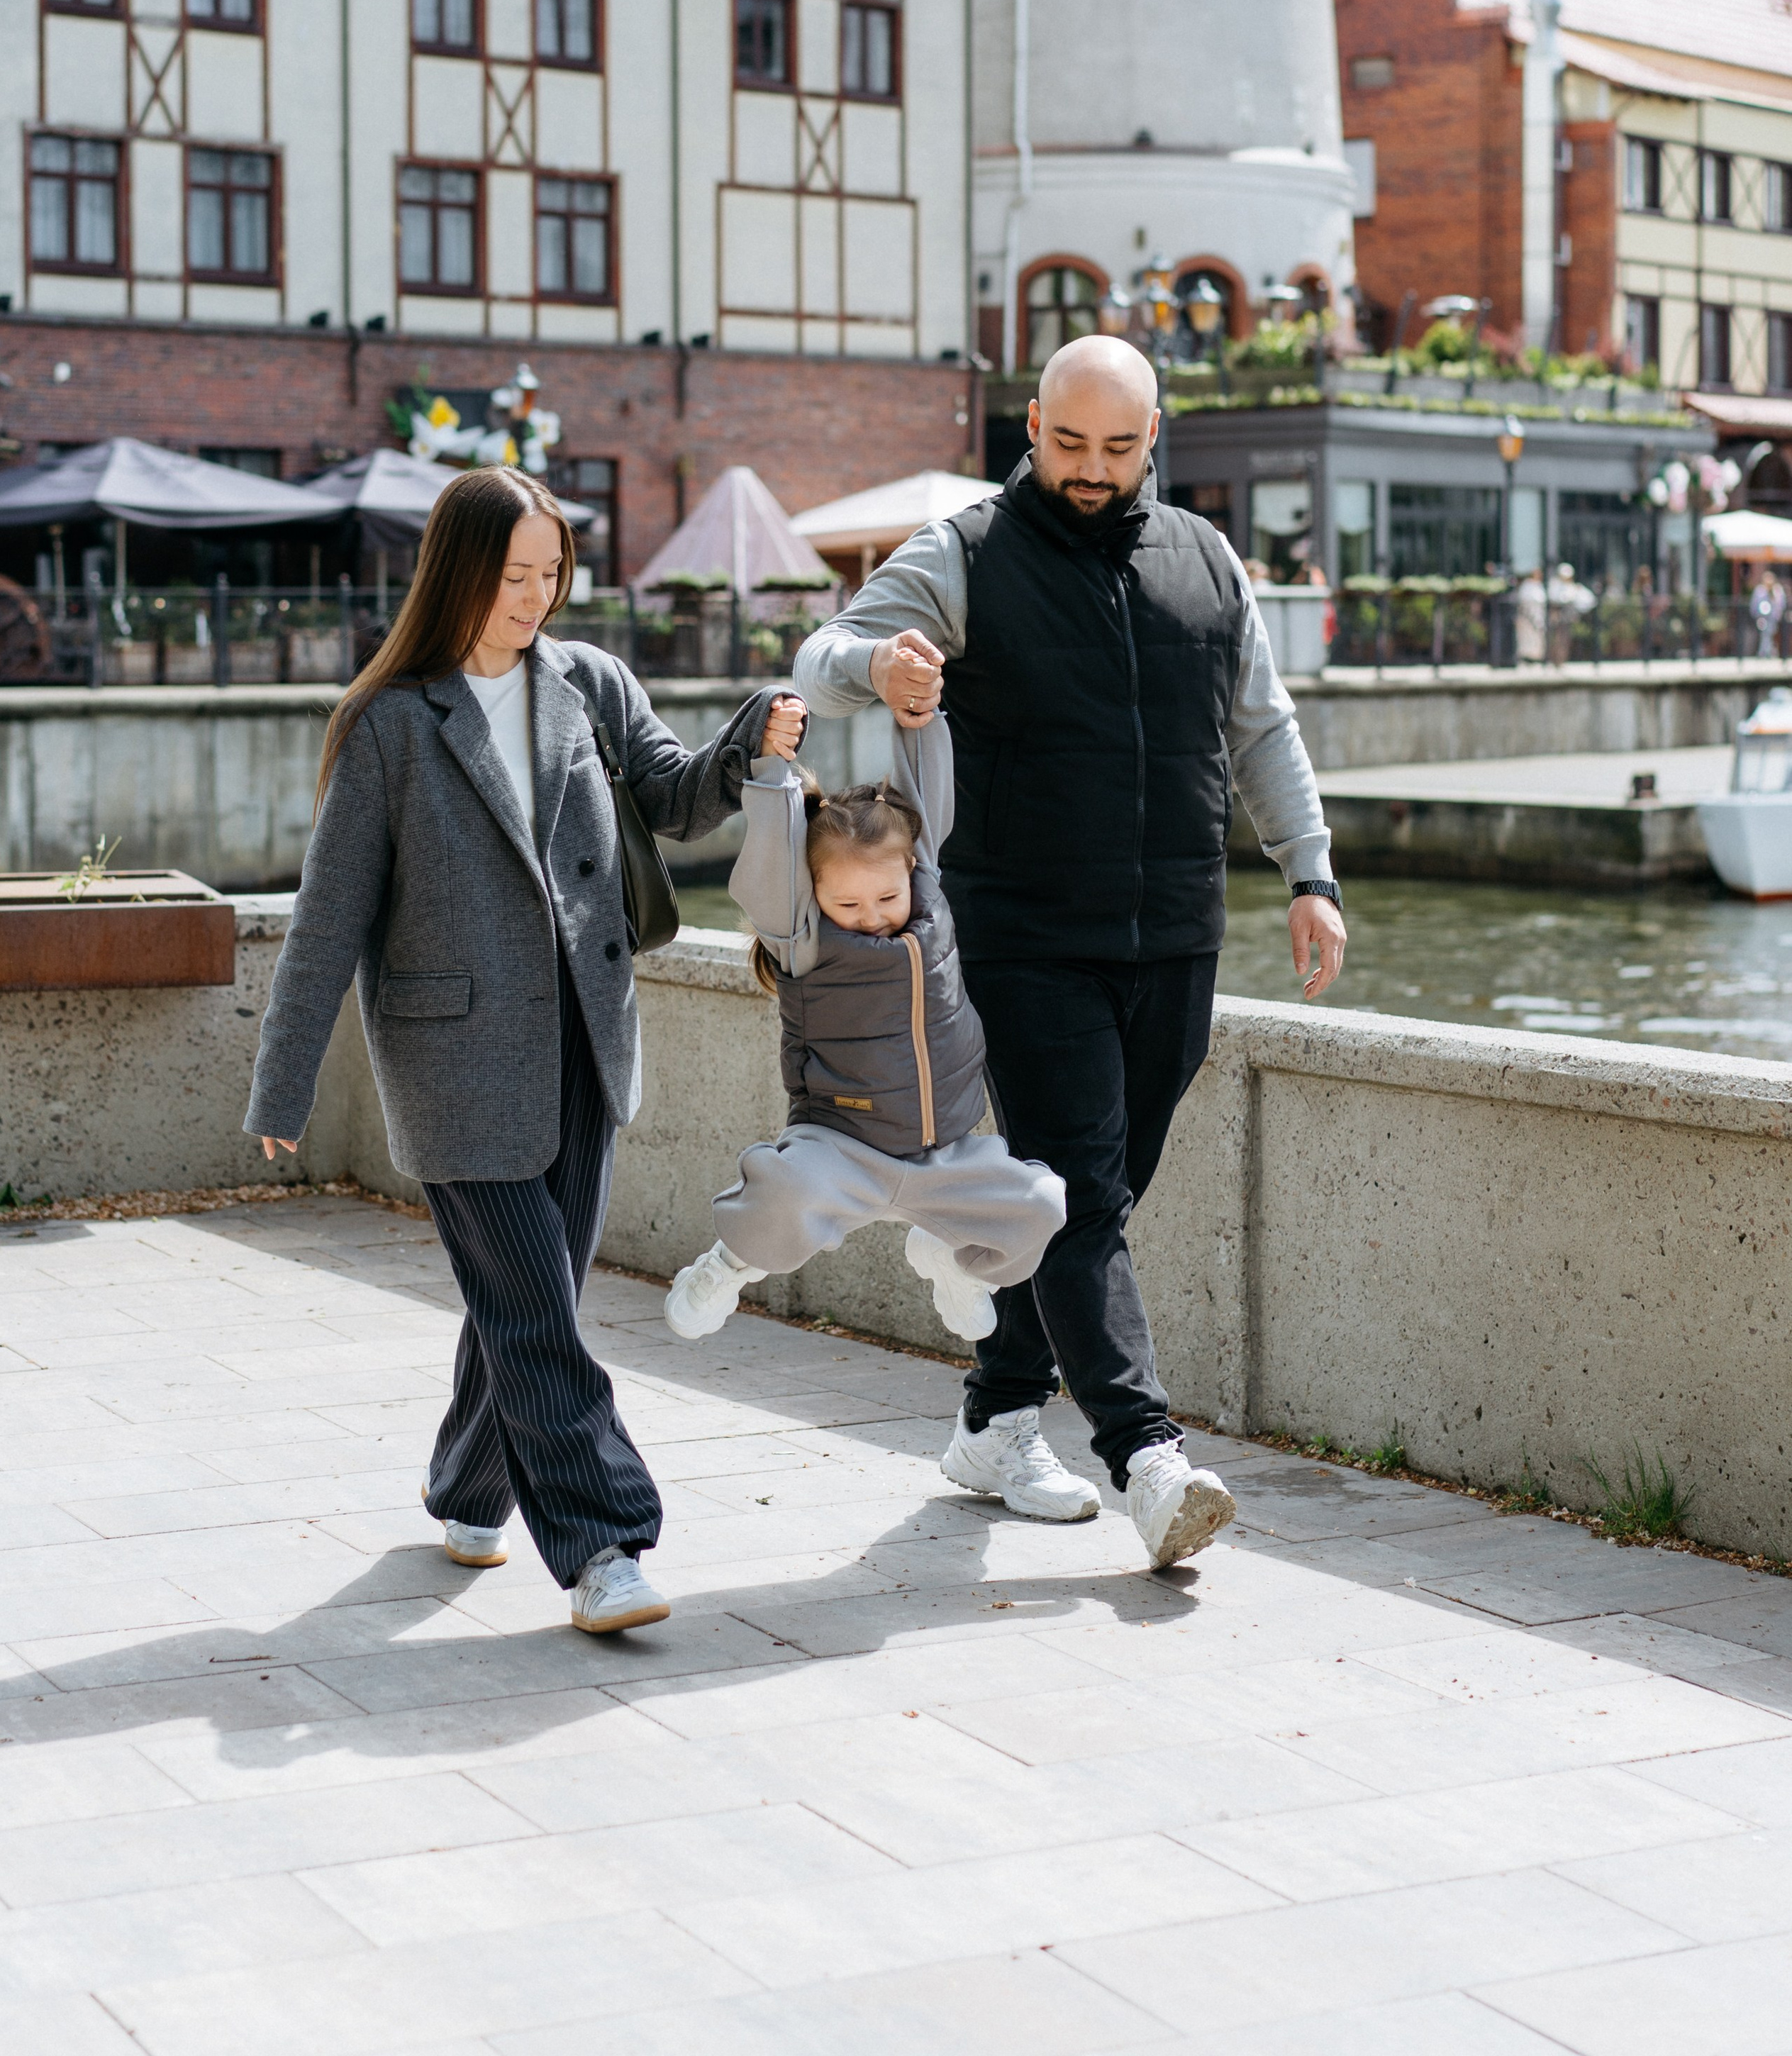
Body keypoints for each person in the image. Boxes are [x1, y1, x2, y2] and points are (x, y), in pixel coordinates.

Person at [794, 335, 1347, 1569]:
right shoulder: (968, 555)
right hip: (1022, 936)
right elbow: (817, 661)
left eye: (1117, 447)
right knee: (1083, 1192)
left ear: (1157, 440)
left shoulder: (1207, 562)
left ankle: (995, 1421)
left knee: (1085, 1195)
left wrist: (1308, 875)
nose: (1090, 471)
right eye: (1067, 443)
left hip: (1175, 937)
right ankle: (1148, 1460)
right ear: (1031, 424)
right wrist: (880, 663)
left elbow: (1262, 729)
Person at [245, 465, 779, 1638]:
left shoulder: (589, 683)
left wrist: (748, 738)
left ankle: (468, 1489)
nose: (535, 599)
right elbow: (328, 919)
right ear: (457, 575)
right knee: (541, 1312)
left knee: (528, 1299)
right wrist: (282, 1082)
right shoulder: (391, 724)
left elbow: (679, 802)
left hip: (587, 1046)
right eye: (512, 577)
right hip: (454, 1065)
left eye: (551, 575)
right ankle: (603, 1548)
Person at [665, 700, 1069, 1369]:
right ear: (813, 894)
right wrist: (771, 766)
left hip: (946, 1154)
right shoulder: (801, 939)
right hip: (841, 1147)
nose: (871, 917)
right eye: (846, 905)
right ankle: (729, 1264)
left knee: (1042, 1203)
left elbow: (924, 787)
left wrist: (919, 712)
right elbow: (769, 856)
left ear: (911, 872)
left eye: (886, 899)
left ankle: (952, 1261)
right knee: (781, 1194)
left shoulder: (928, 897)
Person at [1750, 567, 1787, 659]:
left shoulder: (1777, 590)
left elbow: (1781, 604)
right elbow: (1755, 603)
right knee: (1765, 634)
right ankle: (1765, 652)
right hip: (1761, 617)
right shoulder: (1760, 590)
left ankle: (1766, 652)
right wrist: (1755, 614)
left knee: (1770, 633)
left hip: (1773, 617)